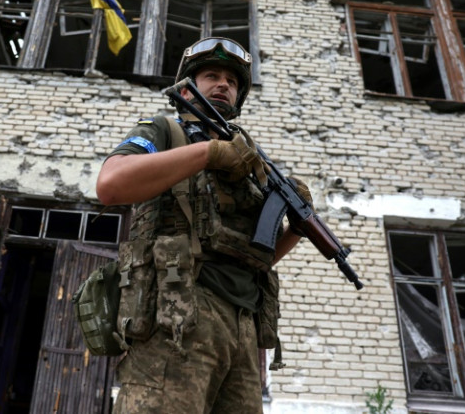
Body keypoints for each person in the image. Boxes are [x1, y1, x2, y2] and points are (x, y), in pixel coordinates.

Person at [96, 37, 311, 414]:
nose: (224, 83)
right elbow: (111, 185)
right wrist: (208, 153)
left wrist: (297, 226)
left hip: (243, 328)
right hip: (179, 315)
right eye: (212, 75)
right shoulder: (165, 131)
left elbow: (257, 258)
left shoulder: (251, 163)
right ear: (187, 87)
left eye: (232, 79)